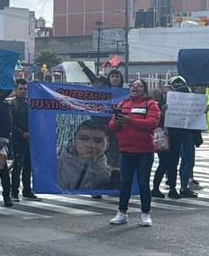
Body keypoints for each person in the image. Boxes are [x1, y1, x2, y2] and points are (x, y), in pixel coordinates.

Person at [108, 78, 161, 226]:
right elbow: (112, 126)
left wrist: (130, 121)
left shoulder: (150, 104)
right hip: (126, 150)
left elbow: (152, 123)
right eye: (133, 85)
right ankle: (121, 213)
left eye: (139, 86)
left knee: (143, 183)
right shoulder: (122, 104)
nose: (135, 88)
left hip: (144, 151)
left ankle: (145, 214)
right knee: (125, 183)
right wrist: (117, 122)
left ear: (144, 90)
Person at [57, 119, 115, 191]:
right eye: (84, 139)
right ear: (74, 141)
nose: (90, 145)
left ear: (107, 146)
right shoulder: (54, 165)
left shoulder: (111, 176)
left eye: (98, 141)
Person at [8, 78, 35, 200]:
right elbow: (10, 124)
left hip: (30, 140)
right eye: (21, 89)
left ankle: (27, 190)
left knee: (28, 166)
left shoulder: (30, 103)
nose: (23, 91)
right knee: (18, 166)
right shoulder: (13, 104)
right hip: (18, 140)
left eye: (25, 89)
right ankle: (14, 192)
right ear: (15, 90)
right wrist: (22, 133)